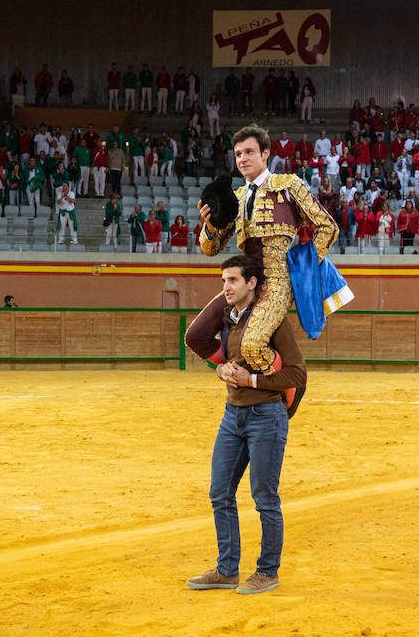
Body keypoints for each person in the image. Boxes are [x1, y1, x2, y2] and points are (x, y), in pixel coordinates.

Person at [183, 255, 306, 596]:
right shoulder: (228, 320)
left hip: (266, 416)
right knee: (220, 492)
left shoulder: (273, 322)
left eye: (233, 280)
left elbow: (296, 374)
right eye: (224, 280)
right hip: (232, 415)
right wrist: (219, 370)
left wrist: (251, 380)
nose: (226, 287)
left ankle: (268, 572)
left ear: (252, 283)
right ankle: (227, 570)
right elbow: (218, 357)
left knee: (264, 497)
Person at [197, 125, 338, 375]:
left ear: (265, 154)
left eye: (249, 152)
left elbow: (328, 227)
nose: (243, 159)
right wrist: (208, 226)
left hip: (277, 281)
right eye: (238, 154)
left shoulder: (288, 186)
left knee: (252, 346)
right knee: (197, 335)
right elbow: (211, 248)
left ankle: (284, 391)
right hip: (244, 282)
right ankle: (234, 369)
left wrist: (302, 267)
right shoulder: (236, 197)